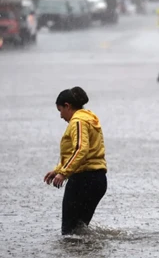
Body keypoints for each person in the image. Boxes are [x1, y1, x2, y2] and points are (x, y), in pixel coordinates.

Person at [44, 87, 107, 235]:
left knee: (69, 234)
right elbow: (81, 152)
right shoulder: (90, 119)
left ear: (68, 106)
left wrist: (64, 173)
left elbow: (80, 149)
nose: (60, 116)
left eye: (60, 110)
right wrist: (58, 170)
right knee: (79, 232)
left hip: (83, 180)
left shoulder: (77, 122)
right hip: (98, 180)